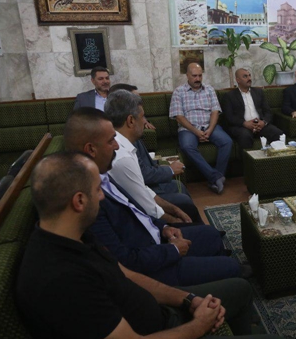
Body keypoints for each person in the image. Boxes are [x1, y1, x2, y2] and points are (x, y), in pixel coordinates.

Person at [16, 152, 292, 339]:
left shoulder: (74, 235)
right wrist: (199, 325)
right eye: (98, 190)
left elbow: (128, 275)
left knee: (240, 289)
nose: (102, 197)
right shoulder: (59, 279)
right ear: (79, 201)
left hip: (160, 319)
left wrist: (189, 300)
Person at [63, 107, 250, 286]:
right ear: (91, 149)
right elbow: (125, 262)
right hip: (155, 266)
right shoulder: (89, 200)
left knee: (211, 235)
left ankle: (215, 272)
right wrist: (173, 250)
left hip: (157, 239)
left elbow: (135, 210)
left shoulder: (102, 176)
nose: (117, 145)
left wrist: (164, 227)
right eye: (111, 140)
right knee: (231, 268)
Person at [104, 89, 202, 224]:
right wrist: (173, 221)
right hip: (144, 222)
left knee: (182, 199)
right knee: (186, 204)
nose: (145, 121)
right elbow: (147, 206)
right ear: (131, 120)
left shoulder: (125, 145)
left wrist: (174, 210)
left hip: (148, 198)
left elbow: (143, 190)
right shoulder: (122, 157)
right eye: (142, 116)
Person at [170, 63, 232, 194]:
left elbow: (215, 111)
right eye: (194, 76)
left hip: (209, 126)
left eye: (199, 75)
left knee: (227, 141)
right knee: (187, 146)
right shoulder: (179, 92)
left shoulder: (209, 89)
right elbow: (179, 117)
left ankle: (215, 179)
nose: (197, 79)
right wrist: (196, 131)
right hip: (188, 129)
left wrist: (210, 129)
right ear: (187, 75)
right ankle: (215, 177)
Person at [222, 68, 283, 149]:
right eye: (245, 76)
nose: (249, 78)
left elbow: (268, 111)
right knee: (245, 136)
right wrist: (244, 123)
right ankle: (248, 157)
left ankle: (276, 156)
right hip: (242, 127)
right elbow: (229, 117)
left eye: (249, 75)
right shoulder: (229, 96)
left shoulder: (259, 92)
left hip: (260, 125)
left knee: (277, 133)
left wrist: (263, 122)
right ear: (238, 80)